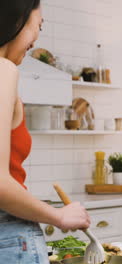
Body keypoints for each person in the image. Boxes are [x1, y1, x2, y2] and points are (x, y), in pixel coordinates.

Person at [0, 0, 90, 262]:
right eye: (39, 24)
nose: (37, 37)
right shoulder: (4, 70)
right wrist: (60, 216)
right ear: (17, 19)